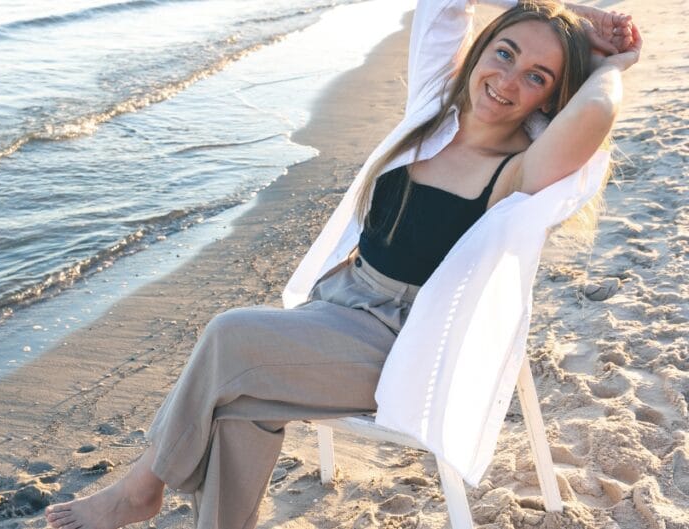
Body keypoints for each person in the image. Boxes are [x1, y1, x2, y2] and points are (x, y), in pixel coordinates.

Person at [45, 1, 642, 528]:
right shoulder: (434, 108)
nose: (507, 81)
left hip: (405, 342)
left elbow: (594, 116)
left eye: (535, 77)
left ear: (551, 97)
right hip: (339, 302)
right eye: (503, 53)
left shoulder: (521, 172)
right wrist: (570, 13)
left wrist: (611, 65)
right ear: (481, 48)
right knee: (239, 407)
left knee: (230, 335)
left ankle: (139, 488)